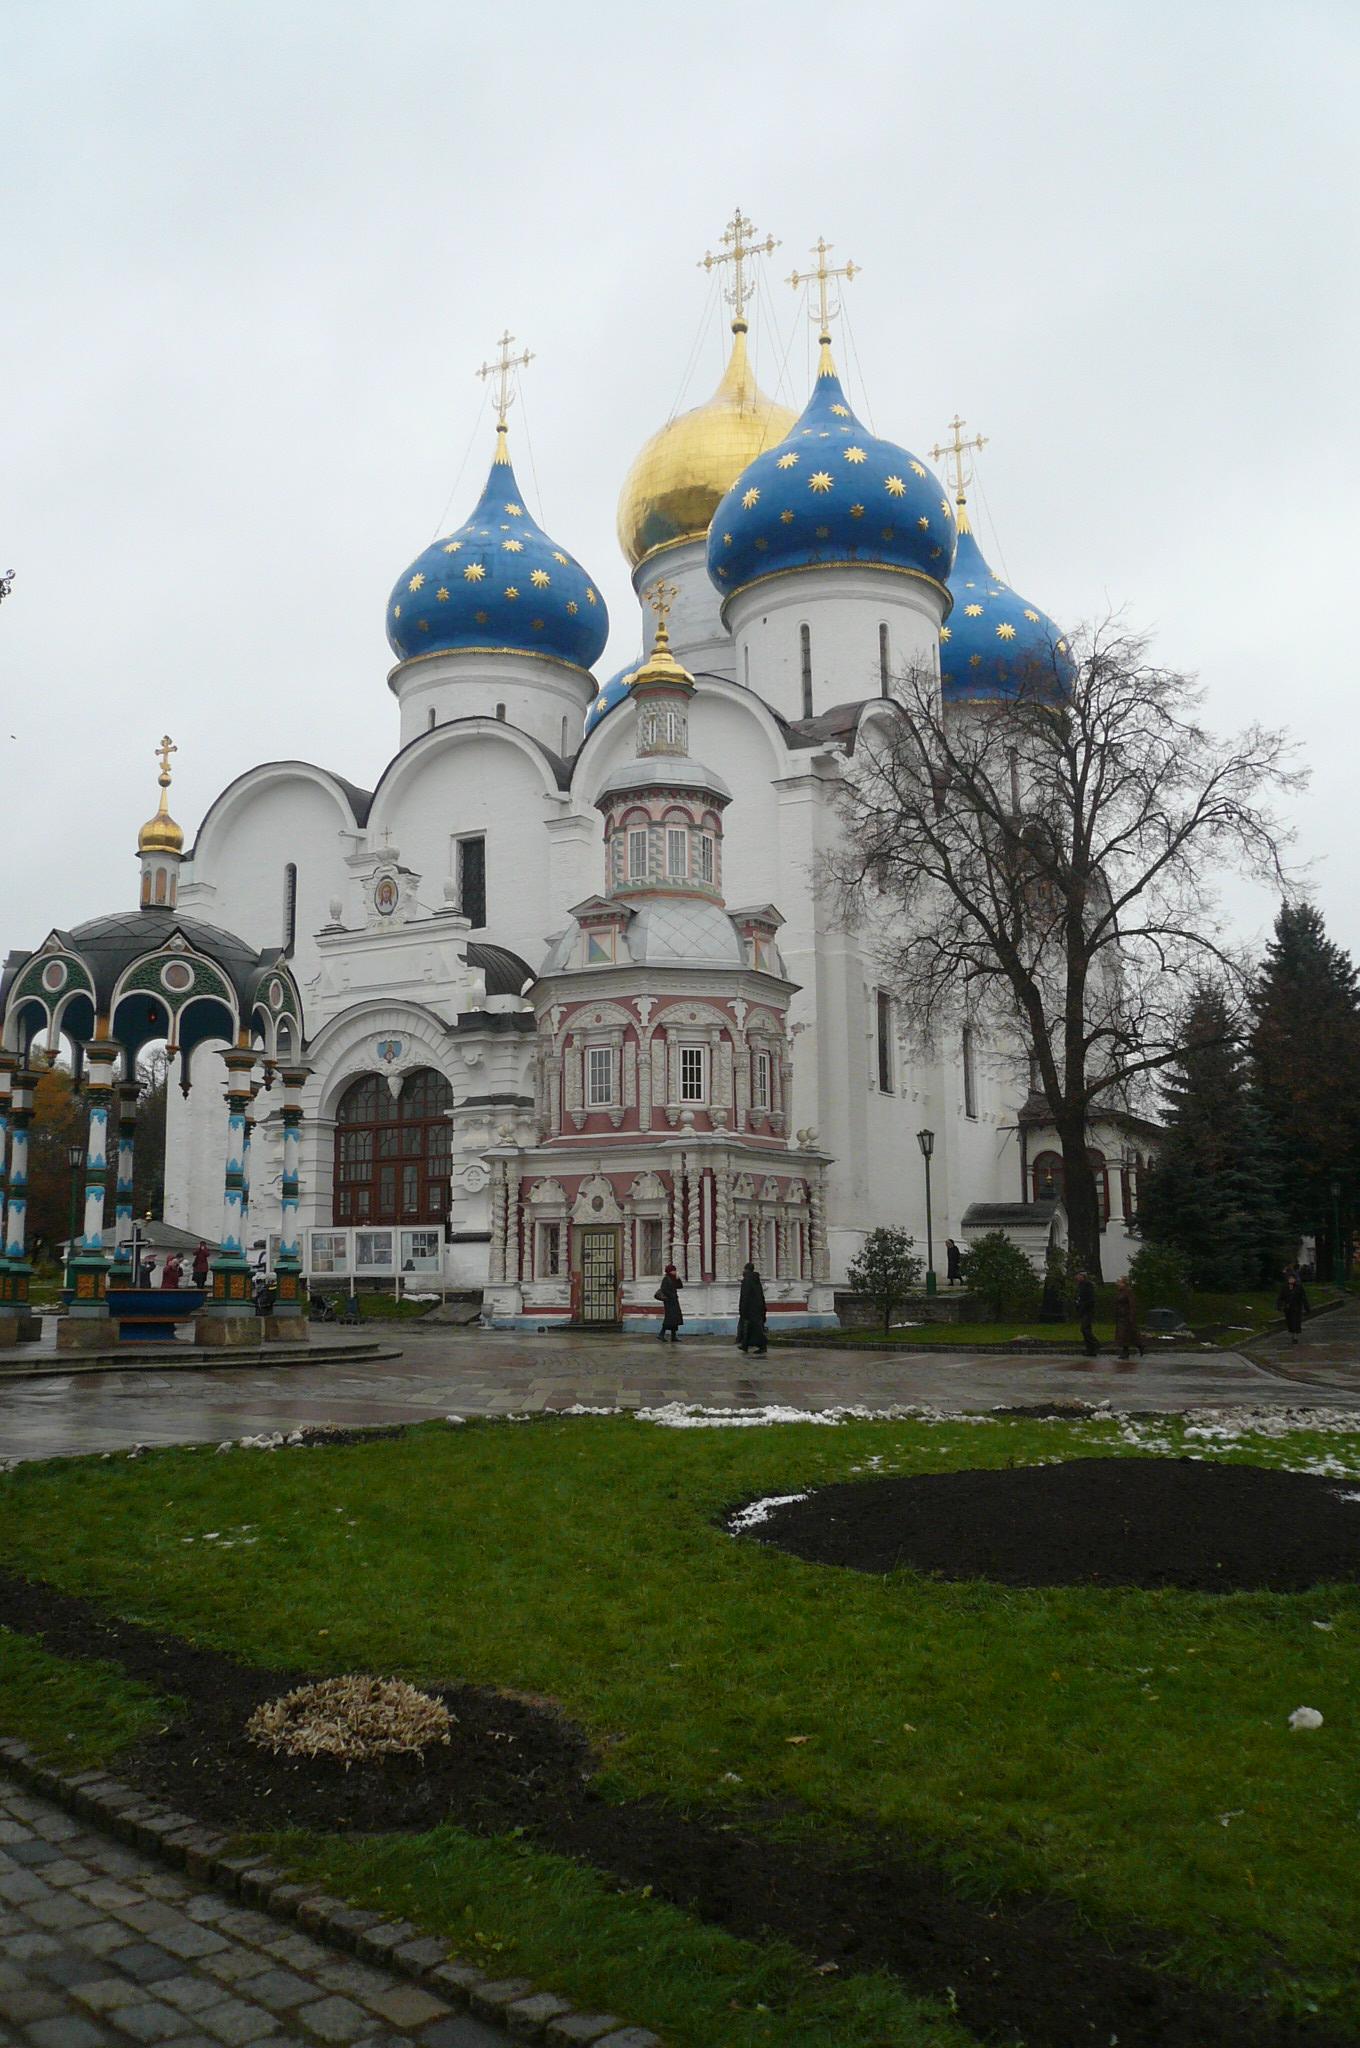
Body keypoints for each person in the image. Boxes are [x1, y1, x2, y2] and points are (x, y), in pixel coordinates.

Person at [737, 1261, 767, 1355]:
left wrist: (742, 1309)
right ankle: (745, 1345)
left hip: (749, 1308)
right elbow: (761, 1295)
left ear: (746, 1269)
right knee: (749, 1327)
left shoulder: (747, 1280)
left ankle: (762, 1346)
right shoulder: (756, 1279)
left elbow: (745, 1296)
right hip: (757, 1308)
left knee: (753, 1328)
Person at [1114, 1275, 1145, 1360]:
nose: (1117, 1283)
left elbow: (1132, 1304)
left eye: (1119, 1282)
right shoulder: (1120, 1292)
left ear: (1124, 1283)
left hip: (1126, 1316)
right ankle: (1127, 1350)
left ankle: (1136, 1347)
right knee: (1122, 1335)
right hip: (1120, 1316)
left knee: (1127, 1334)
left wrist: (1131, 1315)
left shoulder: (1128, 1292)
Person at [1277, 1270, 1310, 1344]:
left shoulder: (1299, 1287)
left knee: (1296, 1322)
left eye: (1292, 1278)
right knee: (1290, 1322)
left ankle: (1295, 1336)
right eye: (1290, 1278)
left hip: (1296, 1308)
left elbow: (1303, 1298)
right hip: (1288, 1308)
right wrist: (1279, 1306)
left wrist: (1306, 1307)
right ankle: (1292, 1334)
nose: (1291, 1280)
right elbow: (1280, 1297)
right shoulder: (1284, 1287)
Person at [656, 1263, 683, 1341]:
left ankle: (673, 1336)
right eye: (673, 1270)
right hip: (669, 1302)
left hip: (674, 1301)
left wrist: (678, 1279)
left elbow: (680, 1286)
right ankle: (661, 1334)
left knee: (675, 1319)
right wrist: (671, 1296)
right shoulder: (666, 1279)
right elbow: (664, 1289)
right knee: (669, 1319)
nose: (675, 1272)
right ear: (670, 1271)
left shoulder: (673, 1278)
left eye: (675, 1270)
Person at [1075, 1268, 1098, 1358]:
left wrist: (1082, 1304)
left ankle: (1094, 1345)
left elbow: (1090, 1299)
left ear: (1082, 1276)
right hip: (1083, 1310)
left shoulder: (1087, 1285)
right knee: (1085, 1329)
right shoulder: (1080, 1285)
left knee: (1085, 1329)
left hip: (1088, 1310)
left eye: (1078, 1275)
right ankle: (1090, 1349)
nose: (1076, 1277)